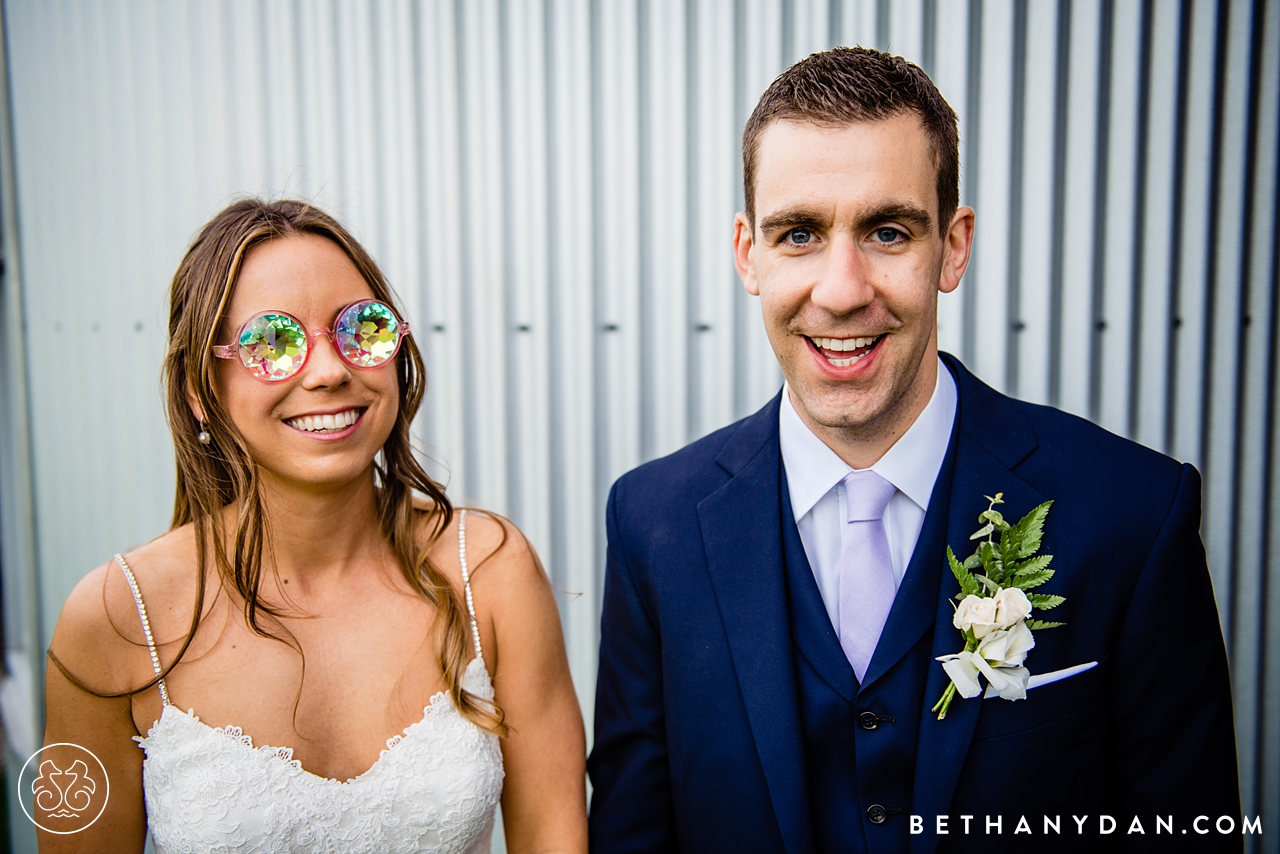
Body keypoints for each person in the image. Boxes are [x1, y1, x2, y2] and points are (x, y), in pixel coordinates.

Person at [588, 47, 1240, 853]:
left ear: (953, 247)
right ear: (748, 253)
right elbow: (632, 833)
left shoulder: (1135, 513)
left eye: (887, 231)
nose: (841, 289)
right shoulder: (654, 522)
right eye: (798, 233)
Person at [42, 199, 588, 853]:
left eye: (363, 328)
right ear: (198, 389)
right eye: (272, 342)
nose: (331, 371)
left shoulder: (490, 572)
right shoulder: (114, 618)